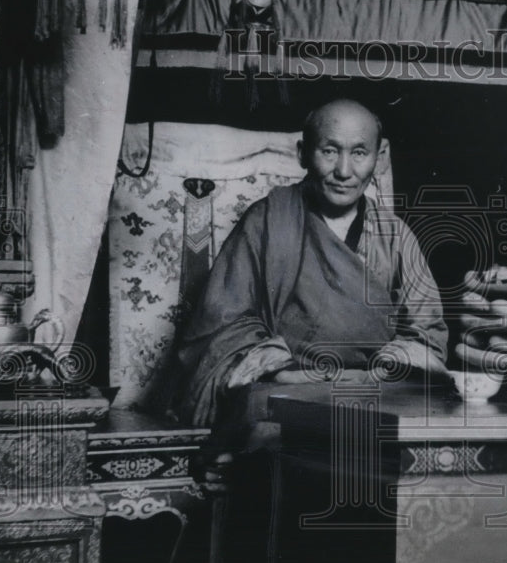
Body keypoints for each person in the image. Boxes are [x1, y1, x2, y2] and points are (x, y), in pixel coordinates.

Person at [174, 99, 449, 429]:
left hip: (378, 389)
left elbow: (426, 334)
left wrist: (385, 367)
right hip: (288, 384)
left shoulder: (396, 236)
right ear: (303, 153)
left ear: (380, 156)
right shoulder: (268, 220)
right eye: (329, 151)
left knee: (426, 409)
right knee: (262, 417)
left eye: (359, 153)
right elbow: (222, 325)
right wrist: (286, 370)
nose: (344, 171)